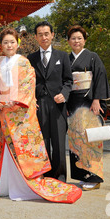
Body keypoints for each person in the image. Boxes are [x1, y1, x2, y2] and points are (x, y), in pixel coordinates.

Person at [0, 28, 81, 204]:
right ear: (0, 45)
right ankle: (9, 184)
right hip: (5, 112)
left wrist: (15, 102)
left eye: (12, 42)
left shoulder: (24, 62)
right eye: (5, 42)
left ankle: (26, 185)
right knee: (10, 149)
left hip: (20, 112)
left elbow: (28, 86)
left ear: (17, 44)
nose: (9, 45)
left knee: (33, 148)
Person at [66, 25, 110, 191]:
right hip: (73, 102)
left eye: (79, 38)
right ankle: (81, 175)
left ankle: (94, 177)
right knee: (76, 139)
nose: (76, 41)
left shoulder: (93, 57)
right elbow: (65, 82)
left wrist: (97, 100)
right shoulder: (67, 59)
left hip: (89, 101)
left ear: (84, 40)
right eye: (73, 38)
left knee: (91, 139)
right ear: (68, 41)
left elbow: (100, 78)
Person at [27, 21, 73, 182]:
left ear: (52, 35)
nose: (44, 37)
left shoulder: (62, 56)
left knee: (59, 143)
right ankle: (45, 176)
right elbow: (27, 82)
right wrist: (31, 99)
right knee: (43, 142)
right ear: (35, 37)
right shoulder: (30, 58)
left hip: (58, 104)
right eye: (40, 34)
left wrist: (64, 94)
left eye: (47, 34)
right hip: (39, 104)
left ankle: (60, 177)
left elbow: (68, 81)